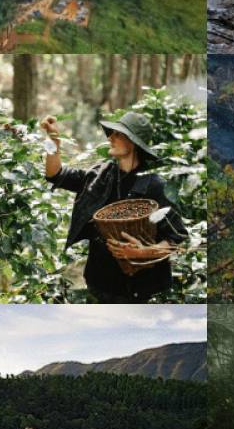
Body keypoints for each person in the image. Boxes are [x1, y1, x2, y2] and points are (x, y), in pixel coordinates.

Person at [42, 112, 186, 303]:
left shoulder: (155, 186)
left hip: (133, 292)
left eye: (117, 134)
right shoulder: (100, 176)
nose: (110, 137)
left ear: (133, 142)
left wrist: (142, 252)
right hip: (96, 284)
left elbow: (175, 240)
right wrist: (54, 141)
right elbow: (55, 174)